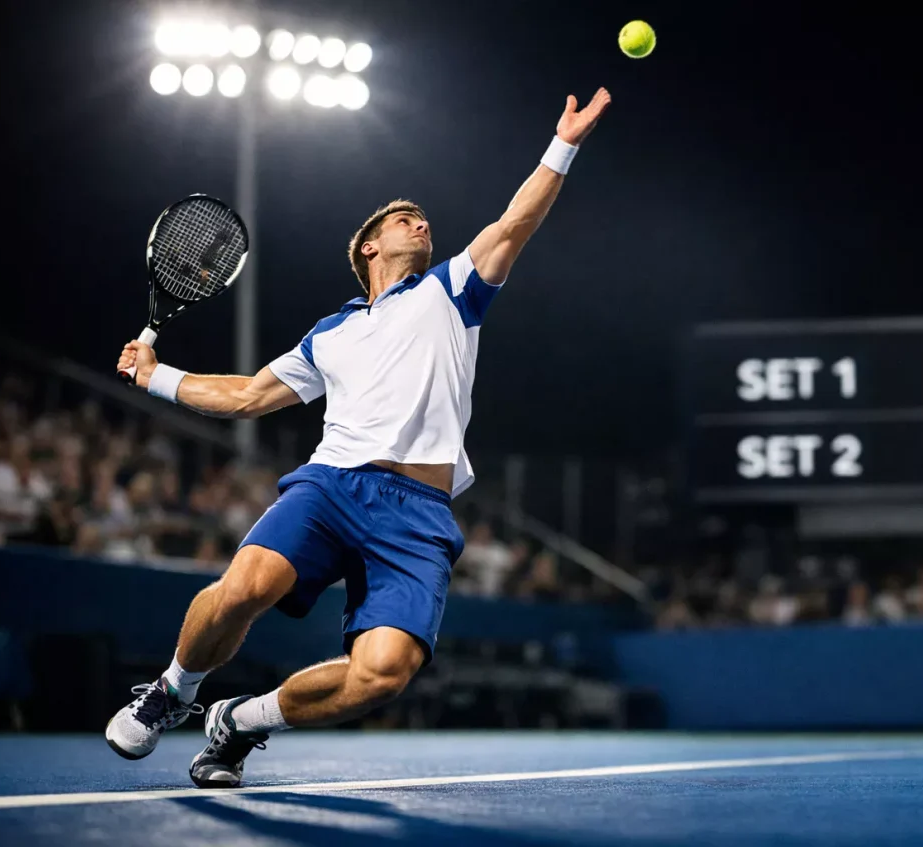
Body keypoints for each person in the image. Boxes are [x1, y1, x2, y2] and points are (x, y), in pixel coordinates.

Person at [105, 88, 612, 788]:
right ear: (370, 245)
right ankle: (173, 689)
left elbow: (514, 222)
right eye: (403, 218)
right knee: (245, 587)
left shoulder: (453, 291)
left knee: (384, 673)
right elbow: (249, 394)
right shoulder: (330, 332)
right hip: (333, 483)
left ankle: (241, 722)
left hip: (418, 512)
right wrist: (160, 376)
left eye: (423, 217)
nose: (419, 220)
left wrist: (565, 145)